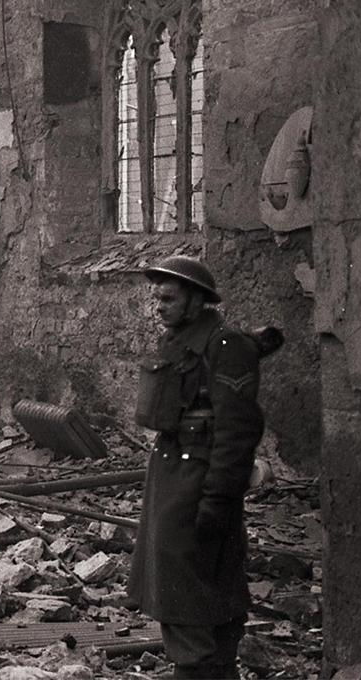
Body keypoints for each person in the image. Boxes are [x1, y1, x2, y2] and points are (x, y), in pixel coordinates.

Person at [129, 256, 265, 679]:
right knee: (190, 597)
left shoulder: (225, 346)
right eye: (156, 298)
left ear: (195, 300)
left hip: (198, 486)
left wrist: (217, 501)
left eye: (168, 297)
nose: (158, 306)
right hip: (172, 480)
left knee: (196, 603)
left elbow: (236, 434)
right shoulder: (180, 339)